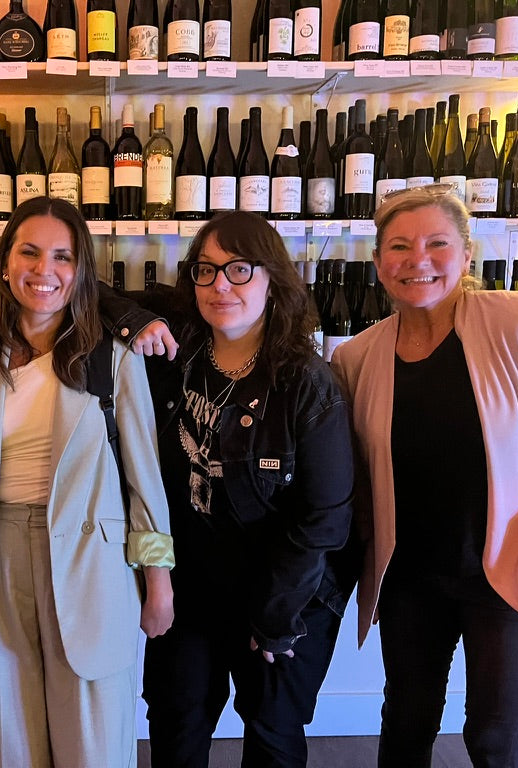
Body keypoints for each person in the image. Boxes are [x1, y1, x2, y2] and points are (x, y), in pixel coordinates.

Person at [330, 184, 518, 768]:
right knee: (405, 724)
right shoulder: (357, 357)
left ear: (467, 254)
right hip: (412, 576)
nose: (419, 260)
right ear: (378, 265)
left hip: (512, 569)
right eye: (399, 247)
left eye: (437, 243)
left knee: (493, 737)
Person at [116, 211, 356, 768]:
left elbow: (324, 519)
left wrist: (275, 619)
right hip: (189, 590)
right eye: (206, 270)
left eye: (239, 269)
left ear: (273, 277)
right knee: (176, 726)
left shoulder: (306, 384)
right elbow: (91, 293)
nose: (220, 285)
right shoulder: (179, 356)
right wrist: (133, 321)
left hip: (281, 596)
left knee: (272, 734)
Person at [0, 196, 175, 768]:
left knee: (93, 738)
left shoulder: (112, 354)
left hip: (91, 561)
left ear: (81, 272)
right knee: (10, 734)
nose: (44, 270)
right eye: (29, 252)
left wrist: (160, 582)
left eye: (63, 257)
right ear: (5, 262)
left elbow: (144, 479)